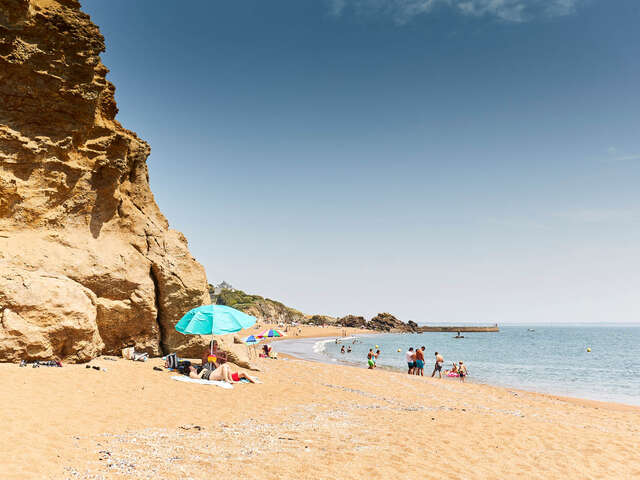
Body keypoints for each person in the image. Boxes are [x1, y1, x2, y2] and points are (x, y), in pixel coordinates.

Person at [187, 364, 258, 383]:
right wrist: (202, 371)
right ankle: (228, 380)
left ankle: (229, 379)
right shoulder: (191, 373)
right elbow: (199, 378)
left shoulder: (196, 370)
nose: (193, 367)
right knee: (224, 366)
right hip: (209, 376)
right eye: (191, 367)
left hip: (211, 373)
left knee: (225, 365)